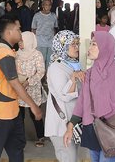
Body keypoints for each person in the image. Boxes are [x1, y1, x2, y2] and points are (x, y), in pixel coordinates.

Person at [63, 31, 115, 162]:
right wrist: (71, 125)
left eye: (94, 44)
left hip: (113, 130)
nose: (89, 48)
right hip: (93, 127)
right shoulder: (90, 74)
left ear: (105, 47)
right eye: (90, 44)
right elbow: (82, 102)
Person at [0, 19, 43, 162]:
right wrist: (33, 106)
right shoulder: (3, 52)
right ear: (9, 32)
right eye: (18, 29)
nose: (20, 32)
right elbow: (14, 82)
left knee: (16, 148)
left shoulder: (8, 51)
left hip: (11, 111)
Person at [45, 30, 84, 162]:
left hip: (71, 123)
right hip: (61, 125)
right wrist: (73, 79)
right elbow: (64, 95)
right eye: (72, 44)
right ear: (63, 47)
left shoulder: (72, 64)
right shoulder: (56, 68)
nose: (76, 47)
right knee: (68, 158)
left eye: (76, 44)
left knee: (71, 157)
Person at [16, 31, 47, 148]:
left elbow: (41, 72)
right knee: (19, 115)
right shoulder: (17, 54)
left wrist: (28, 82)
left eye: (22, 41)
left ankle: (41, 137)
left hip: (33, 89)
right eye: (19, 41)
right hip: (19, 88)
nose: (19, 43)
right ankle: (19, 139)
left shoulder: (37, 54)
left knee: (35, 113)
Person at [32, 0, 58, 68]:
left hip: (50, 43)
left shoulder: (53, 16)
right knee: (41, 62)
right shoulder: (37, 16)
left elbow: (55, 29)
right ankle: (41, 78)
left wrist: (54, 41)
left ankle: (47, 77)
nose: (48, 6)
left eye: (49, 5)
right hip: (40, 43)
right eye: (46, 5)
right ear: (42, 5)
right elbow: (33, 29)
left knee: (50, 62)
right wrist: (34, 41)